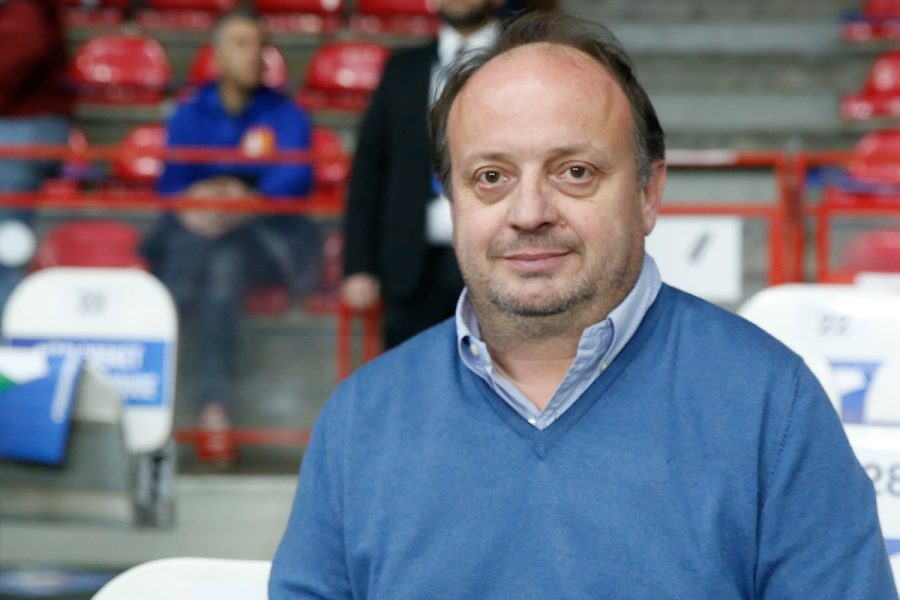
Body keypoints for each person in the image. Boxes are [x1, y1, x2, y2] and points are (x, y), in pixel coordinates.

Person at [270, 12, 897, 598]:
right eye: (491, 177)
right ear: (453, 201)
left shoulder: (772, 407)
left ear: (648, 193)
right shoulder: (359, 420)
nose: (529, 213)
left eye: (574, 172)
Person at [142, 9, 321, 463]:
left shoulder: (286, 113)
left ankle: (204, 409)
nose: (254, 54)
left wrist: (242, 200)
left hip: (266, 240)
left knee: (222, 263)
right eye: (241, 44)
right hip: (195, 235)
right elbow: (171, 183)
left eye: (260, 45)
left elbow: (294, 179)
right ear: (217, 56)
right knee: (193, 264)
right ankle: (180, 407)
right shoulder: (189, 111)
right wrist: (199, 202)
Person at [340, 0, 504, 349]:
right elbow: (369, 169)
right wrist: (358, 264)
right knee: (409, 377)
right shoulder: (403, 69)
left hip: (500, 258)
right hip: (411, 265)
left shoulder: (523, 62)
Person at [0, 0, 72, 308]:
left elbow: (25, 49)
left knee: (7, 247)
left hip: (24, 128)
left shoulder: (23, 8)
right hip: (19, 125)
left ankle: (8, 328)